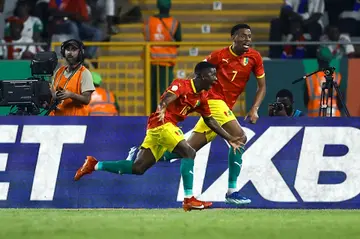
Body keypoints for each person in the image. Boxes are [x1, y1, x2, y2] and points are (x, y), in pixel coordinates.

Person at [127, 24, 266, 206]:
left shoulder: (254, 57)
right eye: (242, 36)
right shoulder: (219, 56)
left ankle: (140, 155)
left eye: (249, 36)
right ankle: (232, 191)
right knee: (239, 137)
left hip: (221, 108)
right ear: (233, 37)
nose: (247, 39)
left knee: (186, 150)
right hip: (213, 101)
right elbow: (201, 71)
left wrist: (254, 108)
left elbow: (262, 86)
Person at [74, 62, 244, 211]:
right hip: (162, 123)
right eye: (212, 75)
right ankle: (189, 199)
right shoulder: (182, 85)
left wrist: (229, 138)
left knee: (138, 168)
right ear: (200, 76)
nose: (215, 79)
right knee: (189, 152)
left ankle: (95, 165)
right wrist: (162, 107)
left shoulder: (203, 97)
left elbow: (210, 120)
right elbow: (167, 98)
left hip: (161, 128)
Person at [143, 0, 182, 113]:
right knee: (166, 89)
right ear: (169, 7)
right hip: (166, 61)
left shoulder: (149, 21)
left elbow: (146, 36)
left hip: (150, 60)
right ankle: (166, 112)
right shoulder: (174, 22)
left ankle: (151, 112)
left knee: (151, 89)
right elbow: (178, 40)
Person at [50, 39, 95, 116]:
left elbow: (86, 99)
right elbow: (54, 93)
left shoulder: (84, 73)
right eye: (67, 49)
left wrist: (71, 95)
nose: (70, 53)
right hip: (58, 120)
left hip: (76, 122)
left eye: (74, 49)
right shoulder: (59, 71)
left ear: (80, 53)